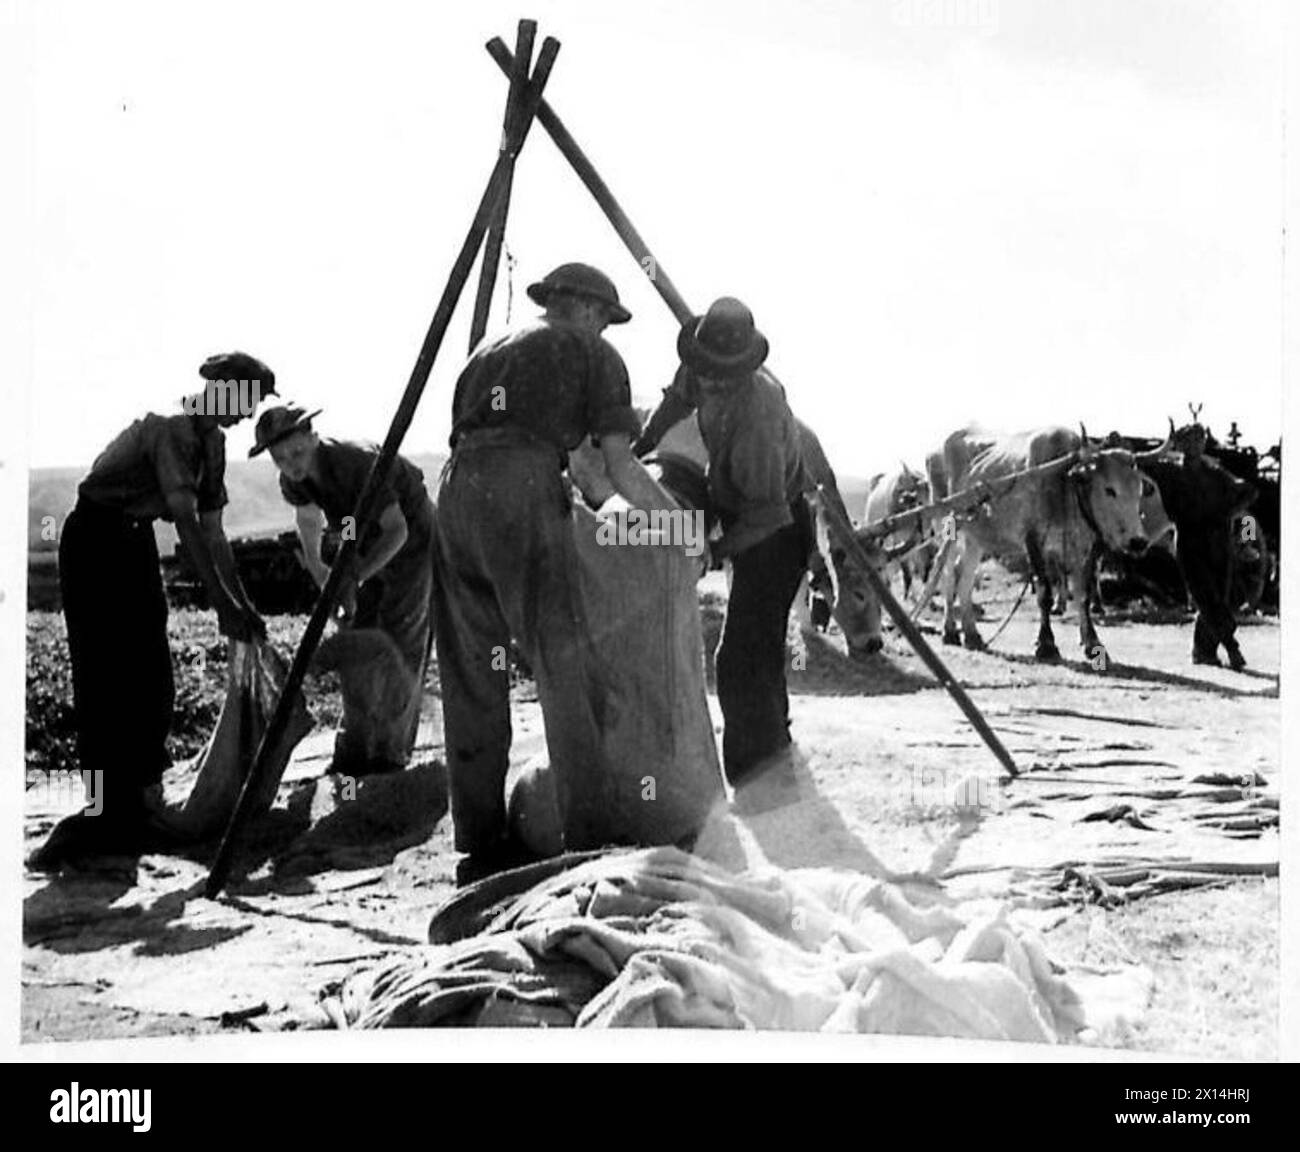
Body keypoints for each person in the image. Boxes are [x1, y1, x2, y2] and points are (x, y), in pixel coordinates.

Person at [434, 262, 668, 877]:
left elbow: (580, 474)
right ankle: (589, 834)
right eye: (606, 320)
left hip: (456, 495)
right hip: (518, 491)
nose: (605, 329)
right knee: (562, 660)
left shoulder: (489, 351)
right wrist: (679, 531)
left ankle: (480, 844)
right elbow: (617, 465)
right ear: (590, 311)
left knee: (471, 669)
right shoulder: (590, 352)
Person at [30, 352, 273, 872]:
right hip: (96, 540)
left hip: (135, 543)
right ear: (223, 389)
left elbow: (213, 531)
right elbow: (185, 524)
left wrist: (242, 607)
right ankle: (100, 811)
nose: (247, 414)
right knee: (100, 681)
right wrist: (221, 606)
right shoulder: (172, 428)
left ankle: (139, 801)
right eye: (246, 400)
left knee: (150, 674)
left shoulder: (214, 443)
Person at [635, 298, 810, 786]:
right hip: (739, 505)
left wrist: (712, 551)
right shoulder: (703, 361)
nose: (709, 381)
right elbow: (675, 401)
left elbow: (768, 514)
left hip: (777, 532)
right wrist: (638, 452)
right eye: (704, 371)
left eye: (720, 377)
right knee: (760, 652)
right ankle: (775, 755)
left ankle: (758, 781)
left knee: (740, 657)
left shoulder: (758, 411)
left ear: (743, 370)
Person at [251, 405, 436, 774]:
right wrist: (322, 570)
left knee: (401, 635)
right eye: (281, 459)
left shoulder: (357, 462)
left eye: (298, 452)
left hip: (411, 539)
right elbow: (307, 519)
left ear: (313, 439)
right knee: (357, 634)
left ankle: (390, 751)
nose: (292, 464)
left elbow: (397, 529)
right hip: (362, 539)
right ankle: (357, 744)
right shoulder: (294, 479)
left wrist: (356, 576)